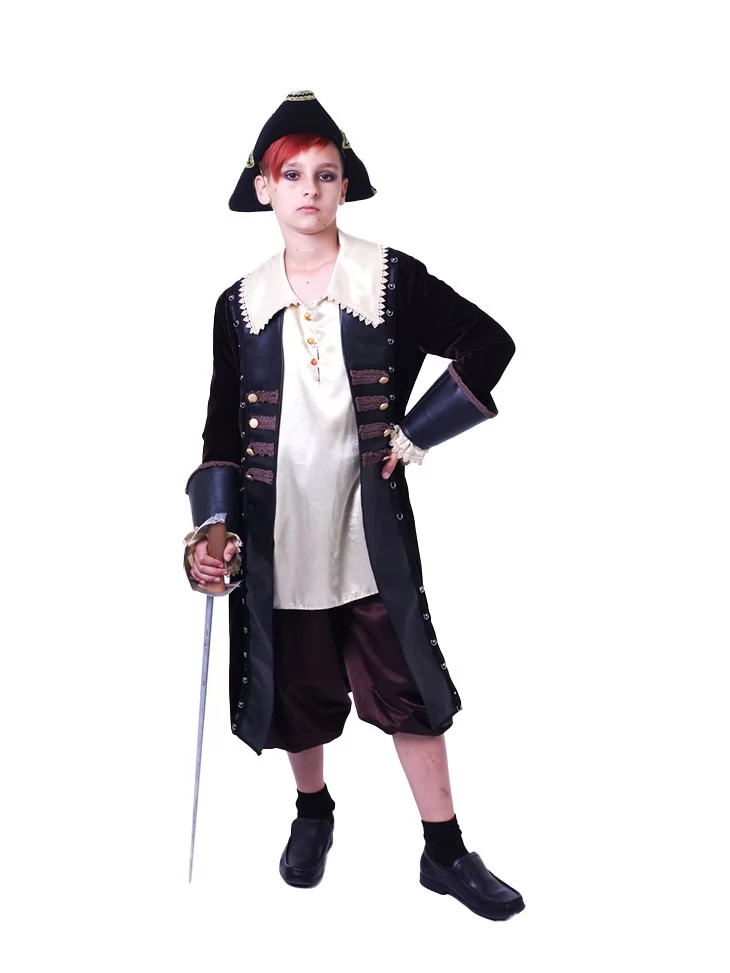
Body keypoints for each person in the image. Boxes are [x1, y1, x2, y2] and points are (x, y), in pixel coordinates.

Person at [184, 90, 524, 921]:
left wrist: (415, 435)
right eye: (291, 175)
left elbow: (489, 342)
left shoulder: (390, 279)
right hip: (277, 531)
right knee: (295, 690)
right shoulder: (238, 304)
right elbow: (221, 426)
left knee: (410, 688)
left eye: (325, 174)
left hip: (366, 528)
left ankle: (445, 849)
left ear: (345, 186)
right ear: (264, 189)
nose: (309, 189)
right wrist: (213, 527)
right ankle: (313, 810)